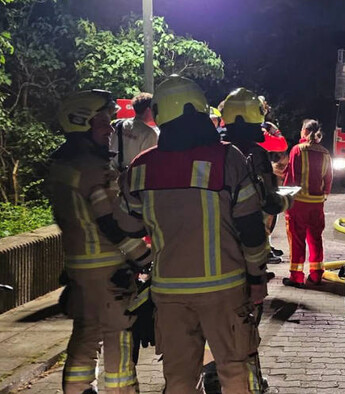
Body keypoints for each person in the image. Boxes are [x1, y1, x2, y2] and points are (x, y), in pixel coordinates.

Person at [116, 75, 270, 394]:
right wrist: (256, 279)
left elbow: (126, 230)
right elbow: (252, 229)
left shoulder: (140, 167)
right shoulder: (228, 158)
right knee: (235, 372)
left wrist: (146, 264)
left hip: (169, 292)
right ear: (201, 111)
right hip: (225, 290)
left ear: (159, 114)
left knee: (179, 379)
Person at [48, 90, 152, 394]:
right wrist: (145, 257)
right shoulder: (95, 169)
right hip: (107, 270)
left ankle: (78, 389)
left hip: (79, 269)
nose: (110, 129)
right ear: (82, 125)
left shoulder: (62, 167)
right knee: (118, 337)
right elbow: (111, 222)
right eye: (103, 123)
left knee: (84, 335)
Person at [220, 88, 291, 264]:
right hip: (247, 241)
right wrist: (288, 200)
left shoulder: (210, 149)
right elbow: (269, 202)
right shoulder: (257, 154)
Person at [280, 118, 333, 287]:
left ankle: (296, 276)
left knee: (297, 239)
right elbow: (328, 178)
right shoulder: (325, 152)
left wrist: (285, 198)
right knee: (315, 238)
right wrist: (324, 195)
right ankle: (316, 274)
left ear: (303, 131)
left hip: (299, 203)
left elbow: (291, 178)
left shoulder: (297, 150)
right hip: (317, 203)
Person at [110, 92, 158, 171]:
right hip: (131, 178)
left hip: (110, 174)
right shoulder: (149, 133)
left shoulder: (117, 124)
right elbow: (148, 162)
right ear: (148, 110)